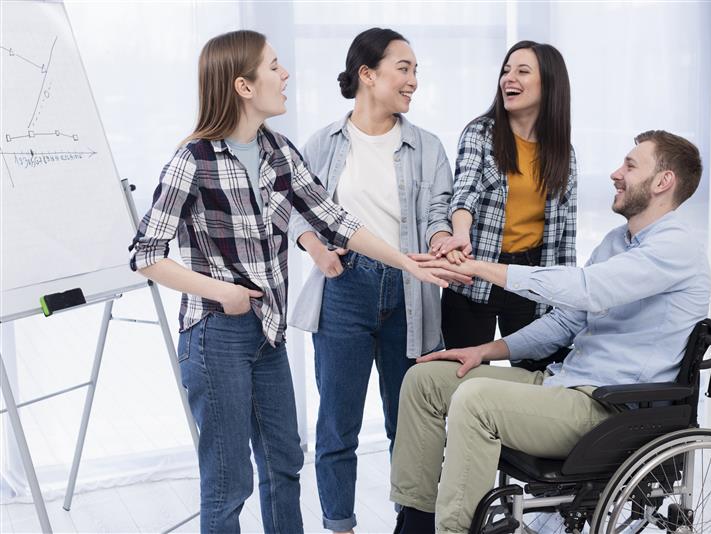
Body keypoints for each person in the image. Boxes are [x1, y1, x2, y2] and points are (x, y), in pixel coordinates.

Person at [128, 30, 464, 534]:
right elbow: (145, 255)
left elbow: (336, 221)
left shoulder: (279, 152)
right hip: (215, 335)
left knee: (285, 463)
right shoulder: (193, 160)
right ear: (243, 86)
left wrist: (407, 262)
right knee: (229, 481)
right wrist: (222, 291)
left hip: (268, 333)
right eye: (275, 67)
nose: (286, 75)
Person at [389, 130, 710, 534]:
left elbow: (588, 290)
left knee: (476, 399)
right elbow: (565, 321)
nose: (615, 173)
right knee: (425, 381)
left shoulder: (676, 247)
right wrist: (484, 351)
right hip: (566, 385)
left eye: (630, 165)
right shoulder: (617, 241)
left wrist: (480, 267)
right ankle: (416, 524)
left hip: (611, 408)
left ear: (663, 182)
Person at [287, 28, 453, 534]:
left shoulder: (426, 146)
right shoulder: (323, 144)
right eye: (403, 68)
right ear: (368, 74)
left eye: (415, 70)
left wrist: (443, 235)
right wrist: (316, 248)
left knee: (411, 423)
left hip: (410, 293)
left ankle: (412, 522)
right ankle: (340, 525)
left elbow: (439, 210)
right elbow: (294, 211)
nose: (413, 81)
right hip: (344, 288)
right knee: (339, 424)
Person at [433, 40, 577, 355]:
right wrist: (460, 233)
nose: (508, 78)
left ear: (549, 84)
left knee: (539, 378)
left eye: (522, 71)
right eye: (506, 70)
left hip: (530, 278)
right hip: (476, 271)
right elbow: (465, 190)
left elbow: (566, 237)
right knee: (461, 376)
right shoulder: (481, 133)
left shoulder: (563, 153)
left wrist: (568, 297)